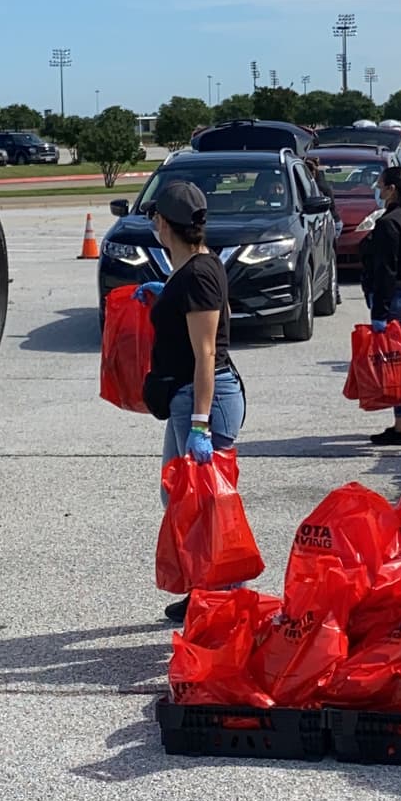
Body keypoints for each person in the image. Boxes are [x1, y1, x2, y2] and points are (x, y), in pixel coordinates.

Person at [139, 178, 246, 625]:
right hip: (187, 398)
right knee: (179, 497)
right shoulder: (191, 269)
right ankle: (207, 588)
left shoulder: (200, 273)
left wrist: (200, 423)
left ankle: (228, 597)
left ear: (163, 223)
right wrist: (166, 296)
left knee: (208, 504)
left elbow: (205, 353)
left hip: (206, 399)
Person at [359, 164, 401, 446]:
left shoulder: (390, 224)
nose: (377, 190)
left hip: (397, 297)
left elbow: (386, 270)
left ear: (392, 190)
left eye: (380, 186)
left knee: (395, 365)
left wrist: (379, 312)